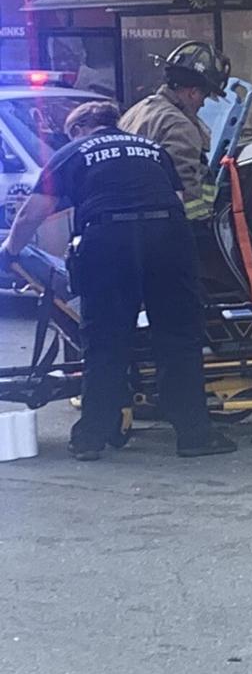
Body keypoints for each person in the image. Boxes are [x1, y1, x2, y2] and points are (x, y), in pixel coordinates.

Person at [0, 101, 236, 461]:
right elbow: (177, 198)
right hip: (168, 236)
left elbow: (34, 211)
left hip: (110, 239)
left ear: (78, 129)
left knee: (105, 339)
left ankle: (92, 437)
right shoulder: (152, 149)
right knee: (178, 336)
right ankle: (194, 435)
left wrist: (10, 251)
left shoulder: (73, 151)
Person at [120, 41, 231, 222]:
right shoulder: (180, 126)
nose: (203, 103)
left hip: (134, 218)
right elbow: (185, 188)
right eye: (204, 96)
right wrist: (200, 224)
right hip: (163, 225)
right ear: (193, 92)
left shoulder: (139, 109)